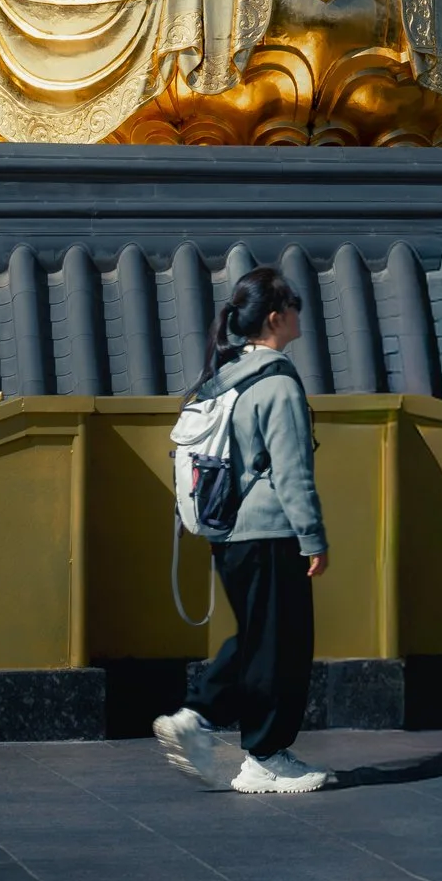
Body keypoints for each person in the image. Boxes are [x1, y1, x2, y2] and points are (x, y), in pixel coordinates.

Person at [155, 264, 334, 794]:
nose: (301, 314)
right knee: (282, 647)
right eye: (295, 305)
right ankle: (265, 757)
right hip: (271, 532)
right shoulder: (277, 383)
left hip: (228, 534)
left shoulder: (224, 377)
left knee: (260, 637)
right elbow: (292, 471)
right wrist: (313, 539)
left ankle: (200, 716)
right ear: (275, 318)